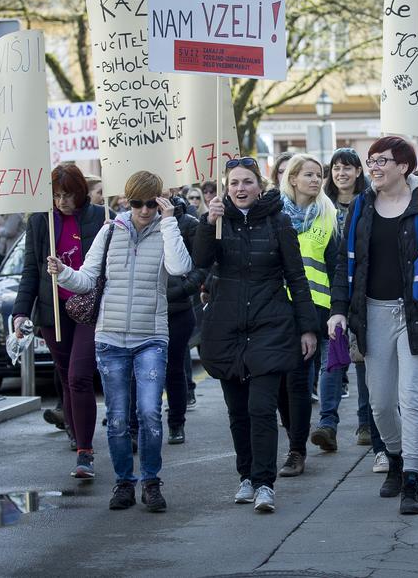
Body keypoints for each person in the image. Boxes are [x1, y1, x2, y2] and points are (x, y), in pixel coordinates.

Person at [328, 136, 418, 515]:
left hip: (417, 312)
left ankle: (412, 480)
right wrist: (339, 309)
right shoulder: (361, 207)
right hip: (372, 312)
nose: (373, 167)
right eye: (370, 161)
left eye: (381, 160)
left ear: (403, 166)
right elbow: (345, 263)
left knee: (413, 398)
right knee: (382, 402)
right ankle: (396, 454)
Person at [49, 171, 191, 513]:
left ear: (160, 201)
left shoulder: (167, 228)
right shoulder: (111, 230)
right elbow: (86, 279)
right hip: (110, 338)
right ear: (127, 201)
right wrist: (62, 272)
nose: (144, 210)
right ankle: (124, 482)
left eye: (151, 203)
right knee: (116, 417)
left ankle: (152, 482)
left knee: (149, 413)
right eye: (138, 203)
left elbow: (179, 267)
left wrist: (169, 222)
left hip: (151, 338)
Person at [195, 157, 319, 513]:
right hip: (226, 328)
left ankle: (265, 482)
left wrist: (307, 327)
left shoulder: (279, 221)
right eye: (234, 183)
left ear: (259, 185)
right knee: (238, 411)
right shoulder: (218, 222)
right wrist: (208, 222)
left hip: (271, 326)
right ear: (226, 187)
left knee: (261, 407)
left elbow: (297, 277)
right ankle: (246, 476)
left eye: (247, 182)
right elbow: (200, 261)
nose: (240, 189)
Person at [13, 164, 105, 477]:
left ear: (81, 192)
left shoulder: (98, 217)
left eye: (68, 195)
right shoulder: (39, 221)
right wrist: (20, 312)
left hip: (89, 307)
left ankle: (85, 451)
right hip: (53, 310)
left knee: (80, 376)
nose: (62, 201)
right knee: (66, 377)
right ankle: (75, 429)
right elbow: (30, 270)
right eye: (56, 195)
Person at [273, 154, 340, 473]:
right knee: (280, 385)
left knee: (299, 380)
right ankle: (293, 434)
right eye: (309, 174)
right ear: (293, 178)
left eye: (319, 175)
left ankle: (296, 450)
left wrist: (338, 310)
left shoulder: (328, 214)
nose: (316, 180)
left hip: (315, 307)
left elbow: (335, 265)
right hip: (275, 307)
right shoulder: (273, 213)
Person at [128, 194, 205, 446]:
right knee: (137, 371)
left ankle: (176, 423)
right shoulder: (132, 222)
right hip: (143, 309)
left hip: (177, 309)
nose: (145, 208)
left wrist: (182, 289)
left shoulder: (187, 223)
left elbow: (200, 266)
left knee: (174, 368)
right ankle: (135, 427)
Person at [325, 148, 384, 465]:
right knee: (333, 358)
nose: (342, 173)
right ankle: (327, 422)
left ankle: (366, 421)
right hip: (333, 290)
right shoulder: (323, 205)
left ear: (359, 172)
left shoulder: (368, 203)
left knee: (363, 359)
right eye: (336, 168)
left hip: (362, 289)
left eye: (348, 168)